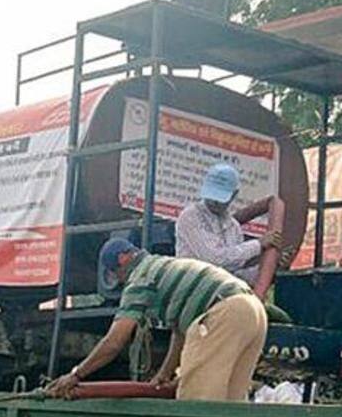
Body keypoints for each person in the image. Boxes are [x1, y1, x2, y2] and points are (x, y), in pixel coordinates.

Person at [48, 238, 268, 402]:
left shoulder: (140, 278)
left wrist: (76, 375)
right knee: (230, 401)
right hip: (253, 311)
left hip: (223, 314)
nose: (119, 279)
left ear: (123, 259)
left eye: (116, 273)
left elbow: (114, 342)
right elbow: (180, 331)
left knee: (197, 401)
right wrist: (164, 374)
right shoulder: (163, 265)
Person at [175, 163, 284, 284]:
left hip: (219, 291)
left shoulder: (233, 227)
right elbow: (214, 259)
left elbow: (235, 273)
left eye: (219, 198)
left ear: (234, 194)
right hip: (191, 288)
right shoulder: (191, 216)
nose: (214, 202)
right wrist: (258, 244)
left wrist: (272, 265)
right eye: (212, 196)